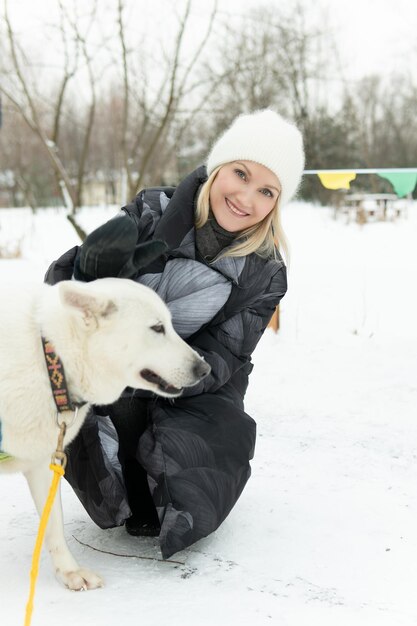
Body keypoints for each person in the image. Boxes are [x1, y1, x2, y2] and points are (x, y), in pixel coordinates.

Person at [45, 109, 305, 560]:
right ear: (217, 168)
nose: (246, 197)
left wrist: (165, 373)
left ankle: (152, 480)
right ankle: (122, 471)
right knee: (78, 402)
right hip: (115, 363)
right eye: (240, 174)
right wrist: (93, 269)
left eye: (266, 190)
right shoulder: (150, 212)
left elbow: (225, 351)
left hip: (197, 382)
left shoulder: (266, 273)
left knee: (209, 458)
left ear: (276, 204)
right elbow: (65, 290)